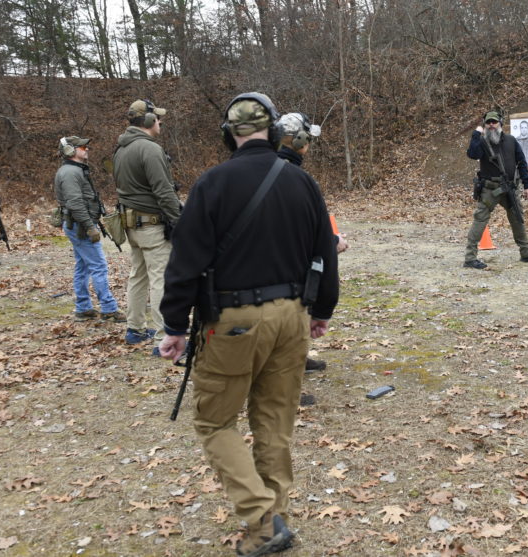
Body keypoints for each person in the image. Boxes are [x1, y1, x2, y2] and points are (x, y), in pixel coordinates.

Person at [158, 92, 339, 556]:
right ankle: (275, 520)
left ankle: (261, 520)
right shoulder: (303, 182)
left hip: (233, 322)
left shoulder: (212, 183)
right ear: (273, 131)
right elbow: (325, 250)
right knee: (275, 423)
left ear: (229, 135)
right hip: (291, 318)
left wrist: (174, 326)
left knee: (214, 422)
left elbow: (184, 263)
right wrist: (322, 310)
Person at [276, 112, 347, 381]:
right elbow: (304, 230)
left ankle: (296, 362)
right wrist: (332, 242)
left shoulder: (268, 168)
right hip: (286, 264)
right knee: (287, 316)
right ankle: (286, 383)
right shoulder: (292, 177)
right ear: (299, 139)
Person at [113, 99, 181, 348]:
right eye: (158, 118)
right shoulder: (149, 149)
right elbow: (164, 192)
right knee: (161, 279)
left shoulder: (121, 149)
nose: (160, 122)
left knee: (138, 276)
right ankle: (164, 338)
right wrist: (180, 221)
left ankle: (135, 329)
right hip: (152, 225)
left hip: (133, 224)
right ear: (150, 120)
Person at [53, 136, 125, 323]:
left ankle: (83, 307)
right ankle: (109, 308)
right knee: (98, 266)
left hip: (79, 224)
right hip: (80, 226)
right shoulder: (70, 173)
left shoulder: (75, 170)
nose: (87, 150)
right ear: (70, 150)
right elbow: (75, 203)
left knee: (83, 266)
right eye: (83, 147)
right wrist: (89, 226)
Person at [463, 111, 528, 270]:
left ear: (500, 123)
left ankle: (526, 253)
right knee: (480, 220)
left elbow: (522, 163)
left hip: (509, 188)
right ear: (484, 125)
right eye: (488, 122)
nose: (491, 125)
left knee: (517, 218)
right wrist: (476, 134)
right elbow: (472, 154)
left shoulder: (511, 141)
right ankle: (470, 258)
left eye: (494, 122)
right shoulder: (481, 142)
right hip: (490, 189)